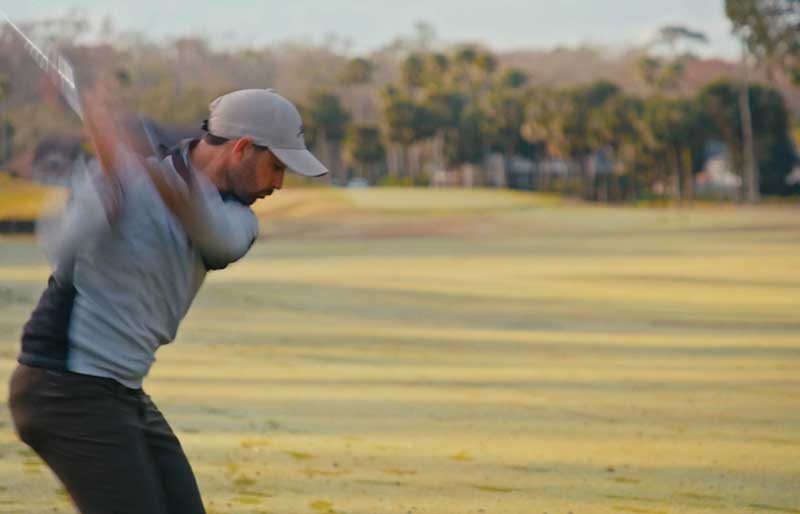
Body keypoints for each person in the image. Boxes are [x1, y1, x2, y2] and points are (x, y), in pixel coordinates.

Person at [7, 87, 327, 514]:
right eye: (276, 166)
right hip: (62, 387)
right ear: (243, 148)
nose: (279, 184)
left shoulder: (238, 218)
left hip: (120, 391)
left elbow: (211, 233)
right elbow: (61, 251)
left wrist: (143, 176)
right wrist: (105, 198)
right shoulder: (121, 180)